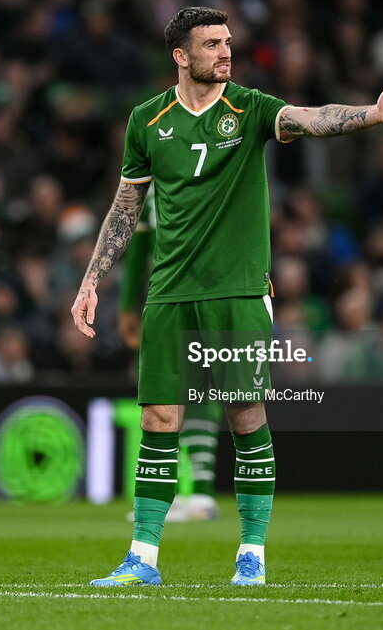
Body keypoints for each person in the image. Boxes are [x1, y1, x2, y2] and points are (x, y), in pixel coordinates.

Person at [70, 6, 383, 587]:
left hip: (237, 290)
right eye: (212, 44)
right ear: (181, 56)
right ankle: (143, 559)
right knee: (160, 417)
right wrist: (91, 282)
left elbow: (311, 118)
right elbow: (127, 206)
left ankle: (252, 553)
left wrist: (370, 115)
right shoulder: (147, 120)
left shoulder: (251, 108)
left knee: (244, 412)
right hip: (169, 291)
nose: (226, 52)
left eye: (228, 42)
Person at [118, 184, 221, 523]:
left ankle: (203, 495)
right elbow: (140, 245)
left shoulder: (214, 175)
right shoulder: (151, 191)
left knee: (203, 388)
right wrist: (127, 305)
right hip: (164, 297)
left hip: (211, 293)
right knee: (165, 393)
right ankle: (169, 495)